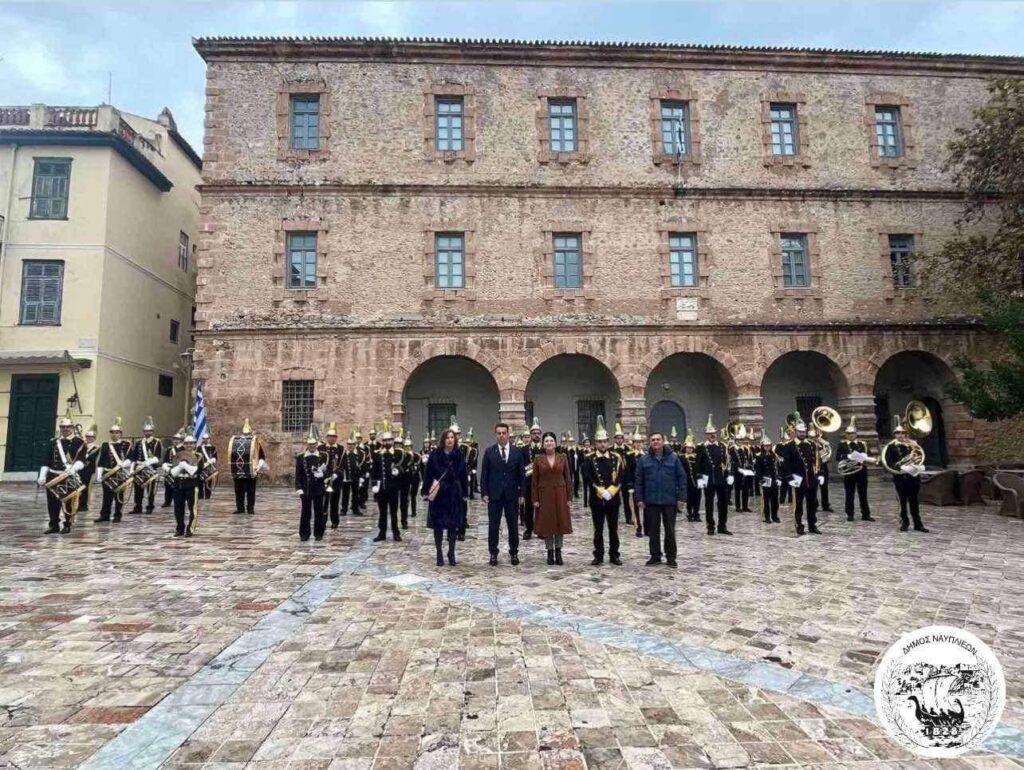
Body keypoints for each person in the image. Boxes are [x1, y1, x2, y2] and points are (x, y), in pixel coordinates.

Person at [634, 431, 687, 568]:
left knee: (670, 530)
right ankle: (655, 555)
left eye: (658, 439)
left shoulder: (673, 458)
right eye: (653, 440)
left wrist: (681, 497)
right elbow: (639, 481)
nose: (656, 441)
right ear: (649, 443)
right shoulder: (643, 460)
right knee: (653, 530)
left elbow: (682, 478)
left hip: (670, 500)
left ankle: (671, 557)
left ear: (663, 441)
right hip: (651, 501)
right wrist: (639, 498)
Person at [480, 421, 526, 566]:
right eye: (499, 433)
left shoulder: (517, 452)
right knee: (493, 525)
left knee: (513, 525)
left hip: (512, 495)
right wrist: (484, 492)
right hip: (495, 495)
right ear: (496, 435)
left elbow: (521, 475)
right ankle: (493, 553)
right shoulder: (489, 452)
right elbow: (484, 475)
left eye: (504, 433)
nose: (501, 435)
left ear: (508, 434)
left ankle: (514, 552)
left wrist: (522, 494)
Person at [421, 428, 467, 566]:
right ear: (443, 440)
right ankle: (439, 553)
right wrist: (425, 490)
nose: (450, 440)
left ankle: (451, 552)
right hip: (439, 494)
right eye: (447, 437)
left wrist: (464, 492)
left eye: (452, 437)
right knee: (438, 526)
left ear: (455, 440)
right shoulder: (435, 454)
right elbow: (428, 473)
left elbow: (463, 475)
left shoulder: (459, 455)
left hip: (453, 494)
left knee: (453, 526)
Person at [583, 417, 625, 566]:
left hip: (613, 499)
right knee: (598, 529)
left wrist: (612, 490)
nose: (602, 444)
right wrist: (600, 490)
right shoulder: (589, 459)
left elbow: (621, 476)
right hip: (597, 499)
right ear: (596, 443)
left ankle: (614, 554)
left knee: (613, 529)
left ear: (608, 442)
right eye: (599, 442)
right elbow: (587, 476)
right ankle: (598, 555)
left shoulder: (616, 457)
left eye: (605, 441)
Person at [39, 414, 86, 534]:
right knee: (52, 503)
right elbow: (46, 460)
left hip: (68, 476)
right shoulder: (53, 442)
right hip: (53, 476)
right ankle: (54, 524)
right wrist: (42, 475)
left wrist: (73, 468)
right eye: (62, 427)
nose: (65, 429)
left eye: (68, 427)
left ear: (72, 428)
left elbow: (81, 461)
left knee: (69, 502)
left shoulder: (79, 442)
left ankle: (67, 524)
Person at [531, 431, 572, 566]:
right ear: (543, 444)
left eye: (551, 440)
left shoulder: (563, 457)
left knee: (560, 522)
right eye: (547, 441)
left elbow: (567, 477)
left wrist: (569, 497)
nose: (549, 443)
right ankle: (549, 552)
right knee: (548, 523)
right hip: (544, 494)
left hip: (560, 493)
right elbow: (534, 480)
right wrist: (535, 498)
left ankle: (559, 551)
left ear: (555, 443)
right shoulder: (538, 458)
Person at [883, 418, 929, 532]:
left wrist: (915, 447)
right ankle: (904, 523)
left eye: (903, 433)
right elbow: (889, 462)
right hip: (900, 477)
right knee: (902, 502)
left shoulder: (912, 445)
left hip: (913, 477)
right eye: (898, 433)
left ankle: (918, 524)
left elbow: (919, 457)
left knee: (914, 501)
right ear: (894, 434)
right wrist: (900, 466)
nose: (901, 435)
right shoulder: (891, 447)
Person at [783, 420, 823, 536]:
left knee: (812, 503)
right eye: (800, 432)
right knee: (798, 505)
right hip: (798, 479)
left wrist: (819, 474)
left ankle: (812, 525)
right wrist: (790, 479)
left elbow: (817, 460)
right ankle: (799, 525)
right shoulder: (789, 446)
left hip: (810, 479)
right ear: (795, 432)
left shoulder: (811, 444)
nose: (802, 433)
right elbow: (786, 464)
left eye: (803, 431)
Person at [696, 415, 732, 535]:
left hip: (721, 478)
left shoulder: (722, 446)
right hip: (708, 479)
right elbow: (698, 465)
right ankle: (710, 526)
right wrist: (700, 479)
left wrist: (729, 475)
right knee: (709, 504)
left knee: (723, 503)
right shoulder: (701, 447)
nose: (712, 435)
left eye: (714, 433)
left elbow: (727, 463)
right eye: (710, 433)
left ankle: (722, 525)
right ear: (706, 435)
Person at [166, 429, 205, 537]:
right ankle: (180, 528)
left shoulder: (199, 456)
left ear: (194, 444)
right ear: (183, 444)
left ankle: (190, 529)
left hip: (192, 484)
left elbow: (197, 471)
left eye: (191, 443)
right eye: (186, 443)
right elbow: (173, 472)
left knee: (192, 508)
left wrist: (185, 465)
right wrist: (179, 466)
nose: (189, 445)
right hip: (179, 483)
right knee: (178, 507)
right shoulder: (178, 455)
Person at [295, 425, 329, 541]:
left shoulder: (323, 456)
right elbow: (298, 474)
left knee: (319, 512)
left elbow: (328, 471)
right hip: (306, 489)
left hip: (318, 488)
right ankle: (304, 533)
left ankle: (318, 533)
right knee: (305, 512)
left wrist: (322, 475)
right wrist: (299, 488)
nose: (312, 446)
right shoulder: (301, 457)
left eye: (314, 444)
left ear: (317, 444)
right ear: (307, 444)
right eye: (310, 444)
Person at [371, 421, 403, 542]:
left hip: (393, 489)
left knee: (394, 512)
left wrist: (398, 472)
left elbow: (403, 470)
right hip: (382, 489)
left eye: (389, 440)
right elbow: (374, 471)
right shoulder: (378, 454)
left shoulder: (398, 453)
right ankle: (382, 533)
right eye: (385, 441)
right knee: (382, 513)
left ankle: (396, 532)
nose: (387, 443)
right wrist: (374, 485)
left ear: (392, 441)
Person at [836, 417, 874, 522]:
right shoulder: (842, 444)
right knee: (849, 494)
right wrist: (848, 456)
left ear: (856, 434)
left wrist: (865, 456)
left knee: (863, 494)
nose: (851, 435)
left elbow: (870, 456)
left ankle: (866, 514)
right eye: (848, 433)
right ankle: (850, 514)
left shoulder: (863, 444)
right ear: (846, 434)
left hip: (861, 472)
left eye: (852, 433)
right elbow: (837, 457)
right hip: (849, 473)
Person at [95, 418, 132, 523]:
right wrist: (99, 474)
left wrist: (124, 464)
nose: (114, 434)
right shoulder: (105, 445)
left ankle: (117, 515)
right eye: (112, 432)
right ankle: (104, 515)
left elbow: (131, 457)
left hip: (119, 472)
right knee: (106, 496)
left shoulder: (126, 444)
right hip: (108, 473)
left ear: (121, 433)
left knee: (119, 496)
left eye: (117, 432)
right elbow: (101, 460)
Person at [229, 419, 266, 515]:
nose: (246, 435)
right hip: (239, 470)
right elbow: (232, 456)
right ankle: (240, 508)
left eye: (248, 433)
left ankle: (250, 508)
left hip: (251, 470)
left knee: (250, 491)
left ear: (251, 432)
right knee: (238, 491)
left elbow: (262, 457)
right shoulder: (237, 443)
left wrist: (258, 467)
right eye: (245, 433)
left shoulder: (256, 443)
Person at [129, 416, 163, 514]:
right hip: (139, 468)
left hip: (150, 468)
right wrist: (132, 468)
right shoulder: (139, 442)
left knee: (150, 489)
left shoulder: (157, 442)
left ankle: (150, 506)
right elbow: (134, 457)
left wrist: (147, 463)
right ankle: (137, 506)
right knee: (138, 489)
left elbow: (157, 457)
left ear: (152, 431)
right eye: (145, 431)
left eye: (149, 431)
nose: (147, 433)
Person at [754, 433, 782, 523]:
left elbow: (778, 468)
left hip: (773, 480)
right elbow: (758, 471)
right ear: (762, 446)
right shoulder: (759, 457)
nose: (767, 447)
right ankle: (767, 517)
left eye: (769, 446)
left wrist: (779, 478)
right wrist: (761, 480)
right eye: (766, 446)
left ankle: (775, 516)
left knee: (775, 501)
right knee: (766, 501)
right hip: (765, 480)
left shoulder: (774, 455)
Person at [321, 422, 345, 526]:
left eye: (334, 437)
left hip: (336, 478)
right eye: (330, 436)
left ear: (336, 438)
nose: (332, 438)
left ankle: (335, 521)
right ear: (327, 437)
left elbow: (342, 464)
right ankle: (323, 519)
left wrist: (337, 474)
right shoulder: (321, 448)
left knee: (335, 501)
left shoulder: (341, 449)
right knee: (324, 500)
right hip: (324, 478)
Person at [339, 431, 366, 517]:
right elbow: (341, 466)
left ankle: (355, 509)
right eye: (349, 444)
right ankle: (344, 509)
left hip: (356, 477)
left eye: (352, 444)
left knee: (356, 494)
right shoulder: (343, 454)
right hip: (346, 477)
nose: (350, 446)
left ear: (355, 445)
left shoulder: (361, 454)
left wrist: (362, 476)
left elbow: (364, 466)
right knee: (345, 495)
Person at [679, 430, 701, 523]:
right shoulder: (681, 458)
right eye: (688, 448)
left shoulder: (696, 457)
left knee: (697, 498)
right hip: (687, 481)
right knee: (689, 498)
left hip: (696, 481)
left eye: (691, 448)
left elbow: (700, 468)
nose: (689, 449)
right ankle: (690, 514)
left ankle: (696, 514)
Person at [79, 425, 100, 513]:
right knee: (80, 487)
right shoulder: (82, 446)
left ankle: (84, 505)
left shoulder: (96, 448)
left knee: (86, 488)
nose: (88, 438)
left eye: (90, 437)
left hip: (89, 470)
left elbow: (93, 458)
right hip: (81, 470)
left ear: (94, 438)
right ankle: (79, 504)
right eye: (87, 436)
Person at [198, 430, 218, 500]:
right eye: (204, 439)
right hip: (201, 467)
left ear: (210, 439)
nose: (205, 440)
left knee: (208, 483)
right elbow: (197, 457)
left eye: (207, 439)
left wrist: (212, 460)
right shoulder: (199, 448)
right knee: (200, 483)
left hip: (209, 468)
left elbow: (215, 457)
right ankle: (200, 496)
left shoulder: (213, 448)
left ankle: (207, 496)